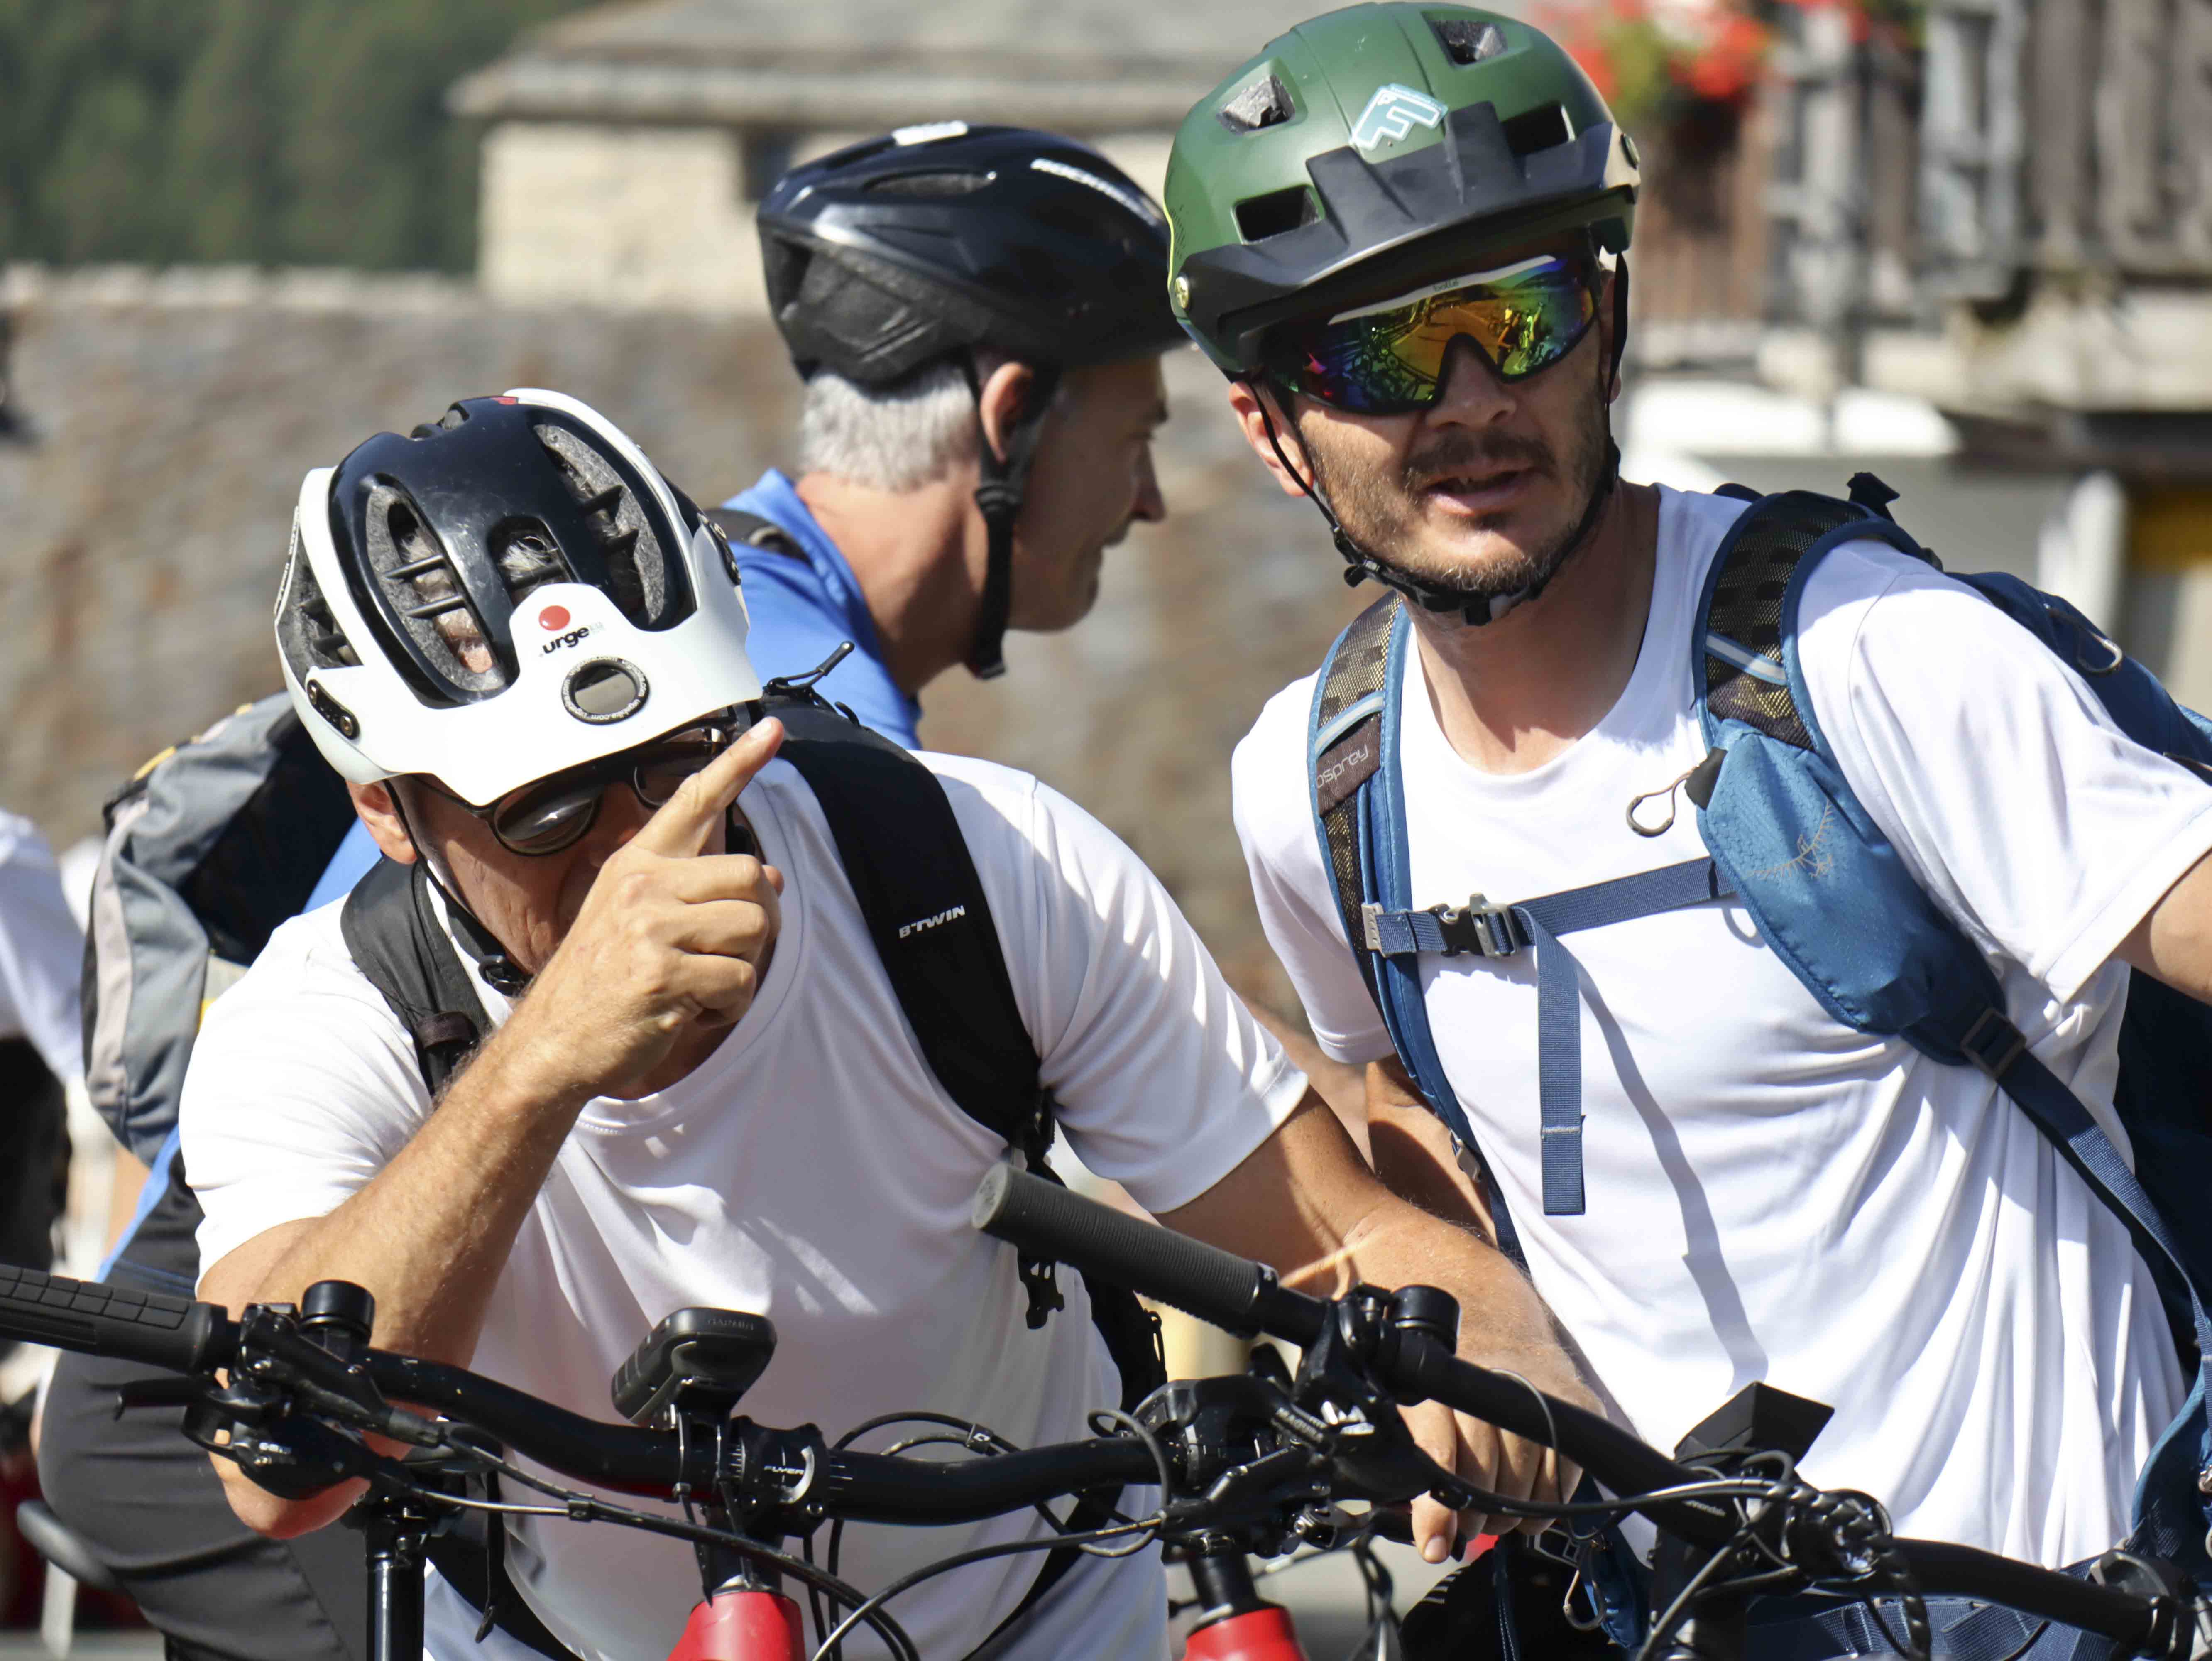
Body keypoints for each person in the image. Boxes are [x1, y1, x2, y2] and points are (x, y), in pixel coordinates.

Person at [181, 389, 1588, 1661]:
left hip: (1037, 1609)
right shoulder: (322, 1024)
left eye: (679, 760)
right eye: (547, 810)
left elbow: (1341, 1239)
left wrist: (1482, 1351)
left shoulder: (979, 865)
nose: (637, 847)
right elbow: (279, 1468)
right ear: (387, 809)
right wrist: (541, 1061)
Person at [1179, 0, 2212, 1640]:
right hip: (1669, 1617)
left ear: (1602, 317)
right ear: (1270, 427)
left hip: (2036, 1605)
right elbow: (1398, 1087)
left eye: (1516, 316)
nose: (1467, 399)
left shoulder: (1869, 656)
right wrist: (1465, 1300)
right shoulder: (1316, 785)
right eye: (1379, 353)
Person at [722, 124, 1179, 747]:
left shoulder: (712, 595)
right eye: (1137, 439)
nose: (1151, 503)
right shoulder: (832, 753)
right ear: (1012, 417)